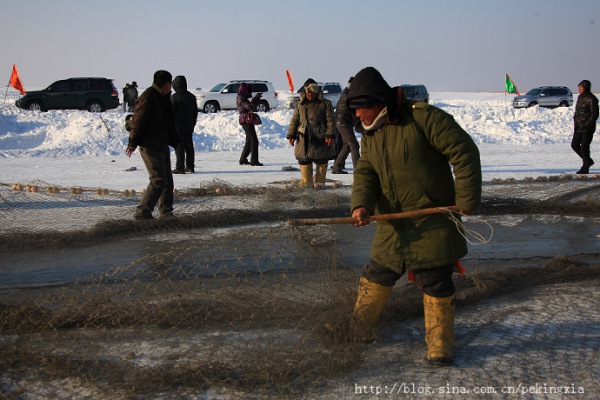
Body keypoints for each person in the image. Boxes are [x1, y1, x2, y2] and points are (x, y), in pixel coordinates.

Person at [338, 67, 481, 366]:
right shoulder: (371, 133)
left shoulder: (423, 118)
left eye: (359, 109)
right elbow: (366, 172)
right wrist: (360, 204)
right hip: (393, 223)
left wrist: (466, 199)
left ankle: (440, 345)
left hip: (431, 221)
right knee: (377, 272)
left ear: (376, 101)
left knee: (434, 280)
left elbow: (464, 151)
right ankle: (361, 329)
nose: (357, 117)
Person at [125, 70, 178, 220]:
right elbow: (138, 122)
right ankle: (142, 212)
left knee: (167, 180)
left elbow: (169, 121)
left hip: (162, 143)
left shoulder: (164, 97)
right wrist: (132, 143)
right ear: (166, 84)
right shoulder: (148, 97)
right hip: (150, 145)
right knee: (158, 180)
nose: (172, 88)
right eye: (170, 84)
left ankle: (166, 212)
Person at [287, 79, 336, 187]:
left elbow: (331, 121)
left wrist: (330, 135)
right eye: (307, 92)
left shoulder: (326, 104)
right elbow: (295, 120)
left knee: (321, 160)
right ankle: (306, 183)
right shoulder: (301, 104)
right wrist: (291, 135)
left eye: (311, 92)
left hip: (320, 138)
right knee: (304, 160)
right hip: (303, 138)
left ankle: (319, 183)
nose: (309, 94)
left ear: (316, 92)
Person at [331, 77, 360, 174]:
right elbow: (352, 110)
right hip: (343, 123)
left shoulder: (347, 94)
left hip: (343, 123)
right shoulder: (348, 96)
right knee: (354, 145)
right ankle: (358, 169)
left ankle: (337, 167)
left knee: (347, 146)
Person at [171, 75, 199, 173]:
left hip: (178, 126)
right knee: (189, 146)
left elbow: (171, 113)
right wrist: (193, 124)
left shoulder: (174, 97)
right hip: (189, 126)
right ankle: (190, 166)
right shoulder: (192, 97)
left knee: (179, 147)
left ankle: (180, 167)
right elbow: (195, 113)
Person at [571, 79, 599, 174]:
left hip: (587, 128)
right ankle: (588, 161)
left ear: (585, 88)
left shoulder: (592, 99)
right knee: (574, 145)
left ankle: (585, 166)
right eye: (578, 87)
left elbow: (594, 114)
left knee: (584, 147)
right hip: (578, 127)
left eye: (581, 87)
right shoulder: (580, 97)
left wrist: (587, 124)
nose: (579, 89)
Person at [236, 83, 263, 166]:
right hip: (246, 121)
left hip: (246, 120)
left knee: (249, 140)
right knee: (254, 140)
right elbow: (250, 106)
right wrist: (256, 98)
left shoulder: (242, 98)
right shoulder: (242, 99)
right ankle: (254, 161)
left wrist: (256, 99)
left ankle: (243, 159)